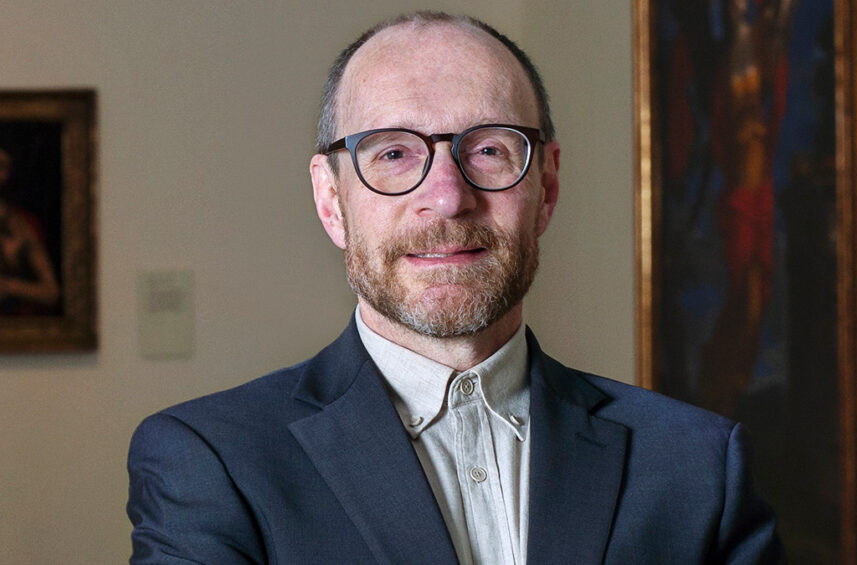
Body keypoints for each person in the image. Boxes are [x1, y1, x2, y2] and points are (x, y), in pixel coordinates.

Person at [127, 11, 782, 564]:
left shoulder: (698, 467)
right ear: (331, 200)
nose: (446, 198)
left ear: (546, 187)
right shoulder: (212, 462)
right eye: (393, 154)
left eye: (490, 150)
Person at [0, 147, 61, 315]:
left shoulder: (22, 225)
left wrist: (10, 286)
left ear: (6, 174)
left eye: (1, 166)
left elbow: (51, 292)